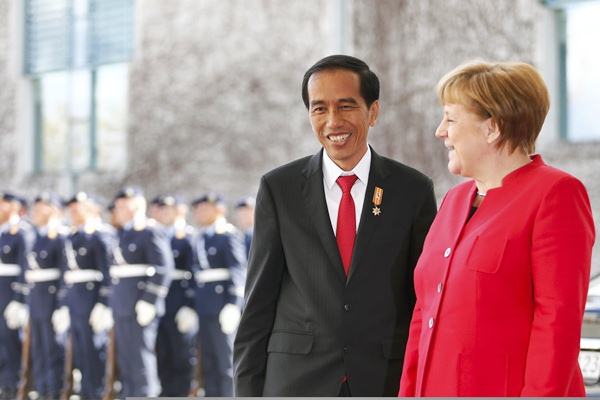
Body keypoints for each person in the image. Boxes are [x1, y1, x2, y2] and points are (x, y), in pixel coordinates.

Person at [233, 54, 437, 396]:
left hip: (384, 378)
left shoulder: (412, 190)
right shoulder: (279, 188)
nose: (332, 122)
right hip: (296, 381)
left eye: (346, 107)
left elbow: (423, 300)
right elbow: (257, 304)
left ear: (373, 112)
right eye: (319, 109)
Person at [398, 61, 596, 397]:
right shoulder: (454, 201)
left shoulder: (556, 194)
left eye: (450, 118)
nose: (440, 131)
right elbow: (423, 314)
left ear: (492, 128)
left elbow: (556, 326)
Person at [101, 187, 173, 397]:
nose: (119, 210)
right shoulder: (123, 232)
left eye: (124, 206)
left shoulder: (150, 230)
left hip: (140, 305)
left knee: (141, 357)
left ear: (136, 206)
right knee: (126, 358)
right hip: (122, 304)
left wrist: (150, 300)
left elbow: (163, 267)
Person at [191, 193, 247, 397]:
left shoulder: (227, 235)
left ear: (219, 210)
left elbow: (238, 270)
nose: (199, 213)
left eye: (205, 208)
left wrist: (233, 304)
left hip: (222, 305)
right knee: (209, 361)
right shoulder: (201, 236)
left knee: (225, 361)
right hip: (204, 305)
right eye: (197, 209)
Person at [59, 192, 112, 399]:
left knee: (94, 350)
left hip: (92, 302)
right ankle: (87, 392)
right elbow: (66, 274)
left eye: (78, 208)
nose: (73, 212)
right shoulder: (72, 236)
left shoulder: (100, 235)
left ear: (93, 209)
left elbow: (108, 272)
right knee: (80, 351)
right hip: (75, 301)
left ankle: (97, 392)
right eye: (71, 209)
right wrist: (63, 303)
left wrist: (104, 303)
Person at [152, 194, 198, 396]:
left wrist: (190, 304)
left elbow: (196, 272)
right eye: (162, 209)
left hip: (180, 303)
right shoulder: (156, 235)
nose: (165, 213)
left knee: (181, 355)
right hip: (160, 304)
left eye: (169, 209)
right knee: (162, 353)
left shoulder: (188, 237)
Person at [25, 192, 68, 400]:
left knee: (52, 347)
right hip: (36, 297)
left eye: (40, 207)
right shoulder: (37, 235)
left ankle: (54, 390)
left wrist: (62, 304)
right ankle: (42, 389)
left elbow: (65, 271)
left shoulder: (60, 236)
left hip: (52, 298)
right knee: (38, 347)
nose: (34, 212)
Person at [0, 192, 32, 400]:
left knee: (11, 341)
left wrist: (20, 300)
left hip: (11, 294)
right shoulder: (3, 232)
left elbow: (26, 265)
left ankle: (13, 386)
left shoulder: (22, 232)